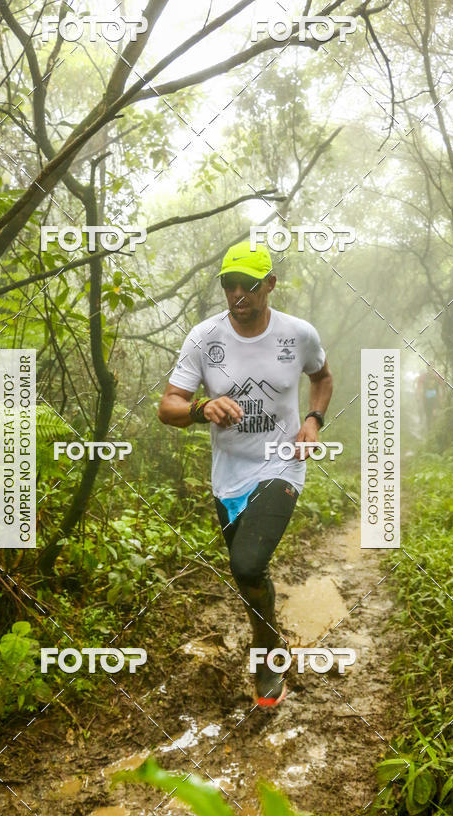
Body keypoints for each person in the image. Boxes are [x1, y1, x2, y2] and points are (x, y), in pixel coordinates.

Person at [158, 240, 333, 707]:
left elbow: (322, 378)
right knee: (247, 577)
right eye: (229, 285)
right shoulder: (204, 338)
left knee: (248, 564)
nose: (238, 294)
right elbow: (168, 406)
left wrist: (312, 421)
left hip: (282, 463)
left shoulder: (298, 335)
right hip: (229, 473)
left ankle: (264, 656)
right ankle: (271, 639)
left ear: (270, 285)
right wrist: (200, 408)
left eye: (248, 286)